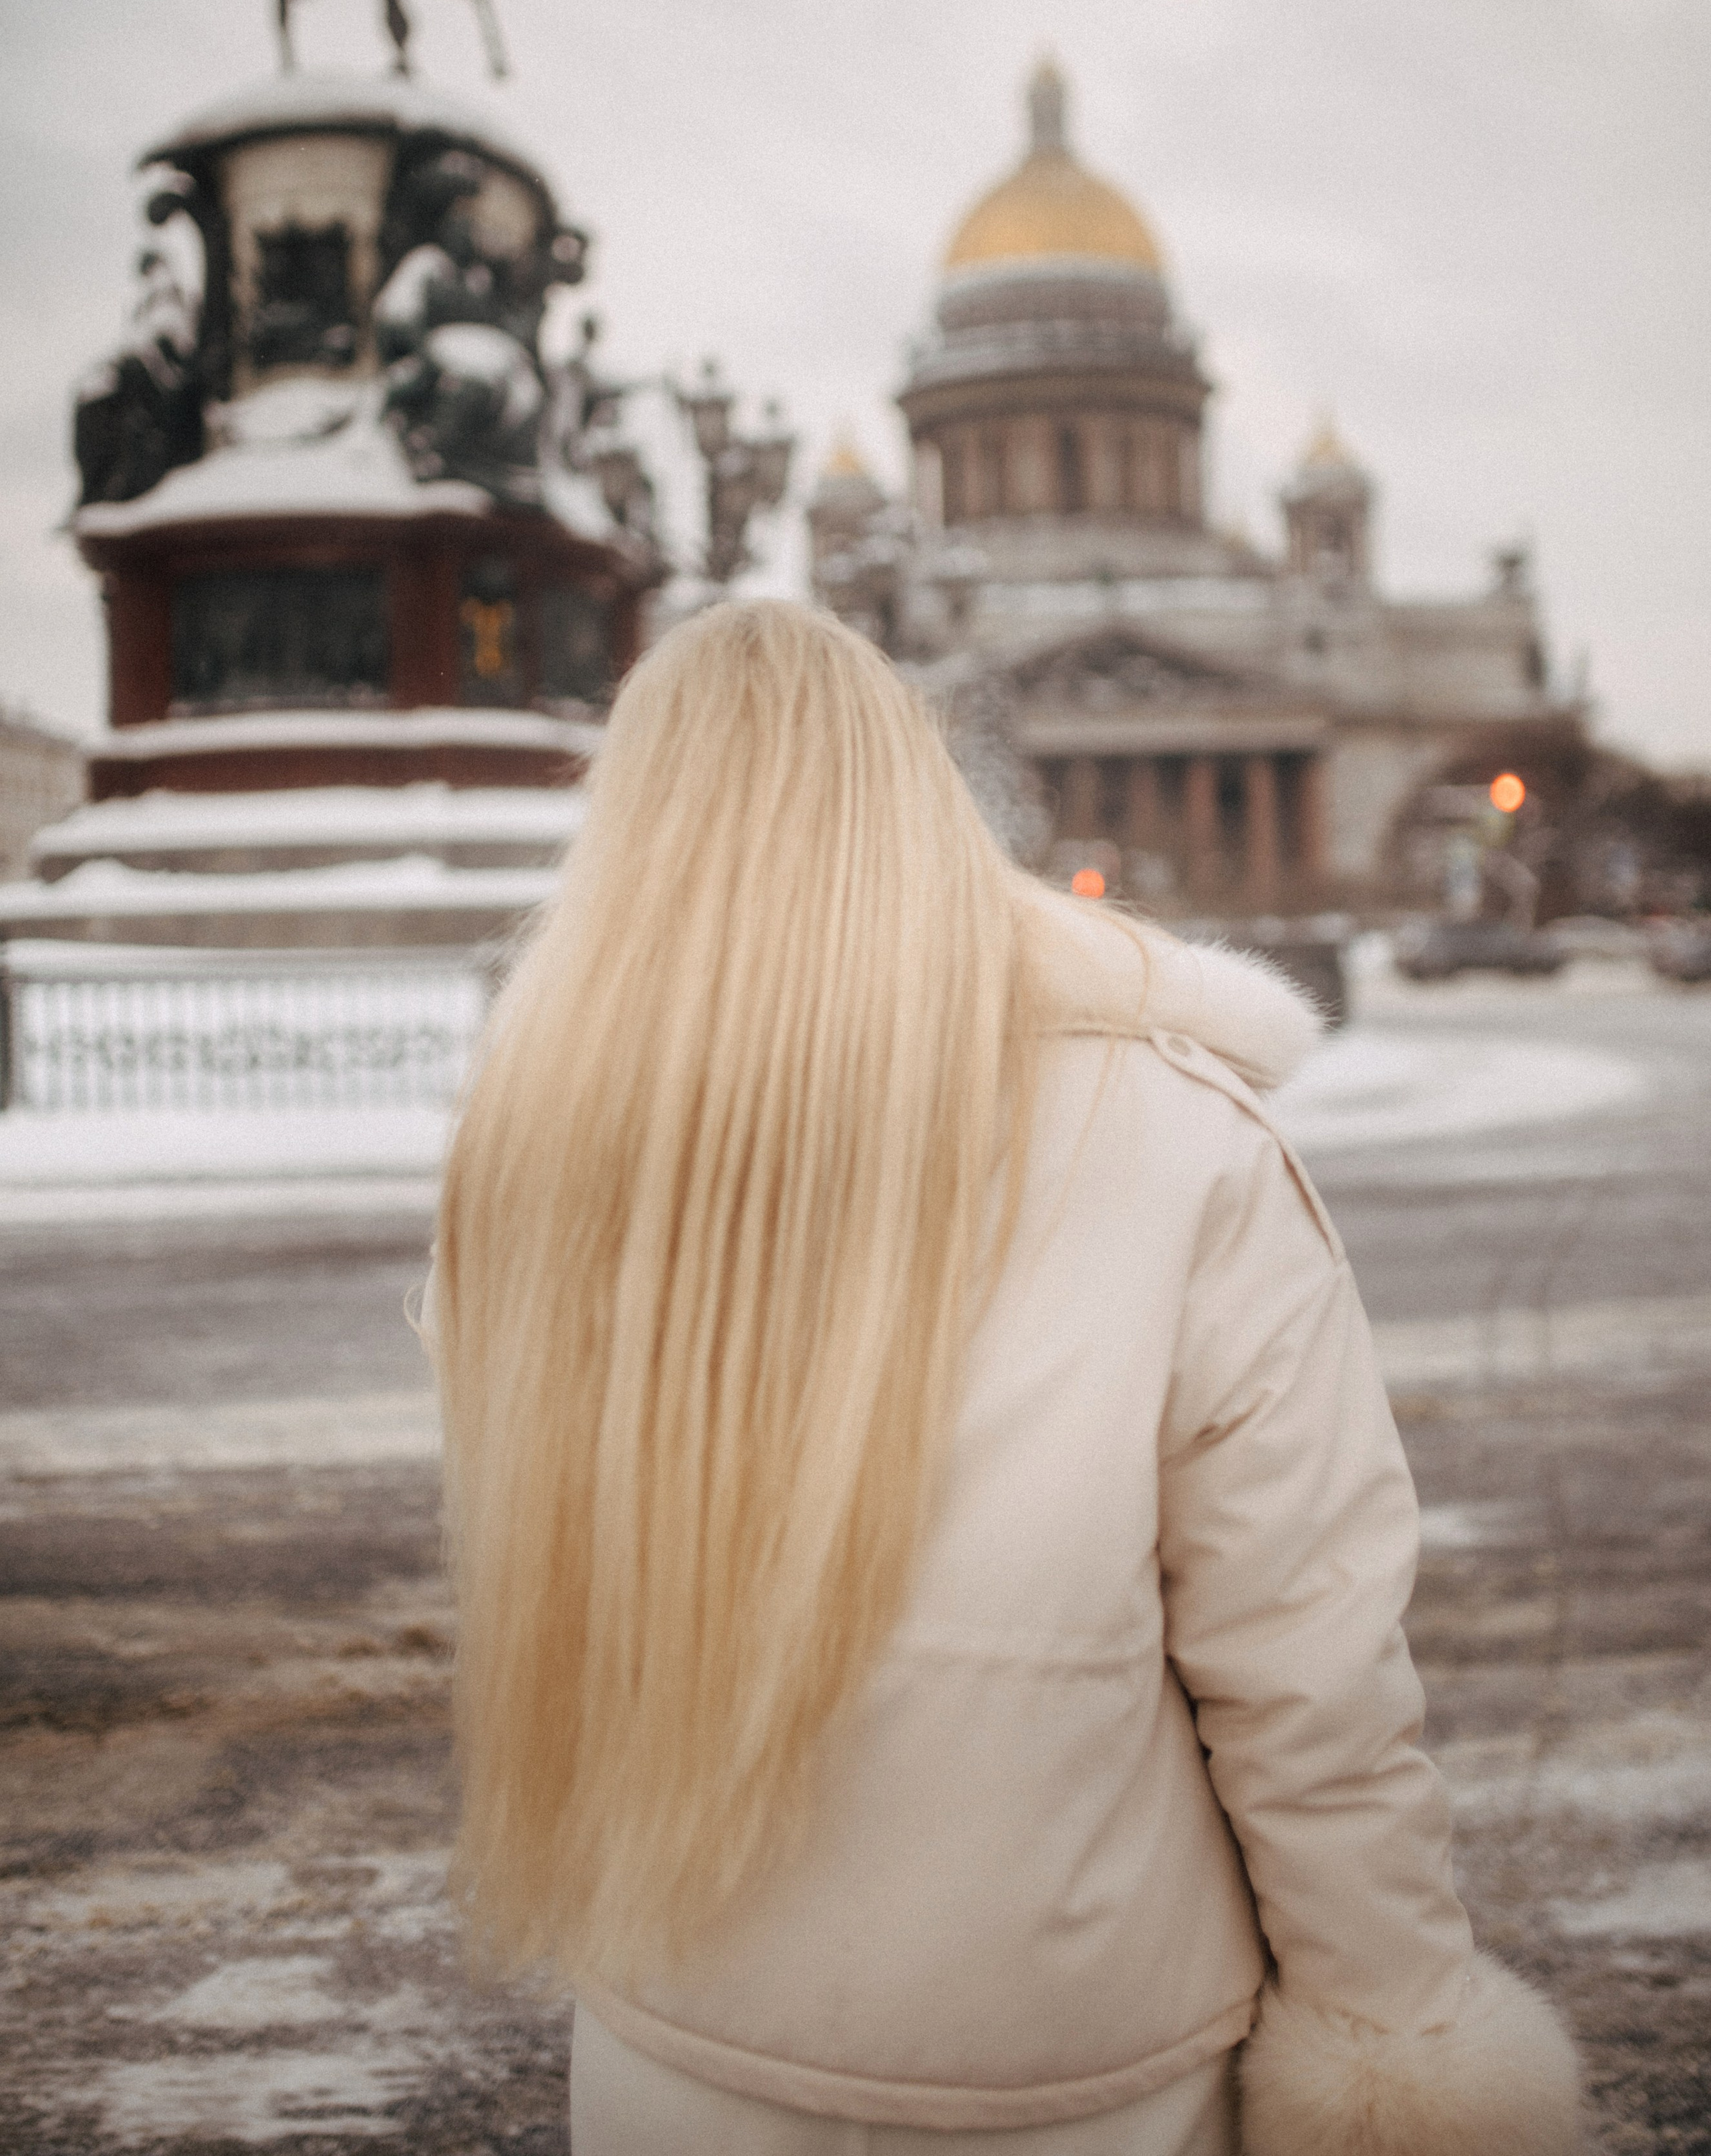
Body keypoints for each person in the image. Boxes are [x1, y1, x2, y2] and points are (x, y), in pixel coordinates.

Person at [426, 600, 1582, 2155]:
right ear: (928, 795)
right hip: (1082, 2058)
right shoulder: (1176, 1133)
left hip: (669, 2034)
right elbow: (1308, 1675)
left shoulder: (526, 1156)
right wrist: (1392, 2027)